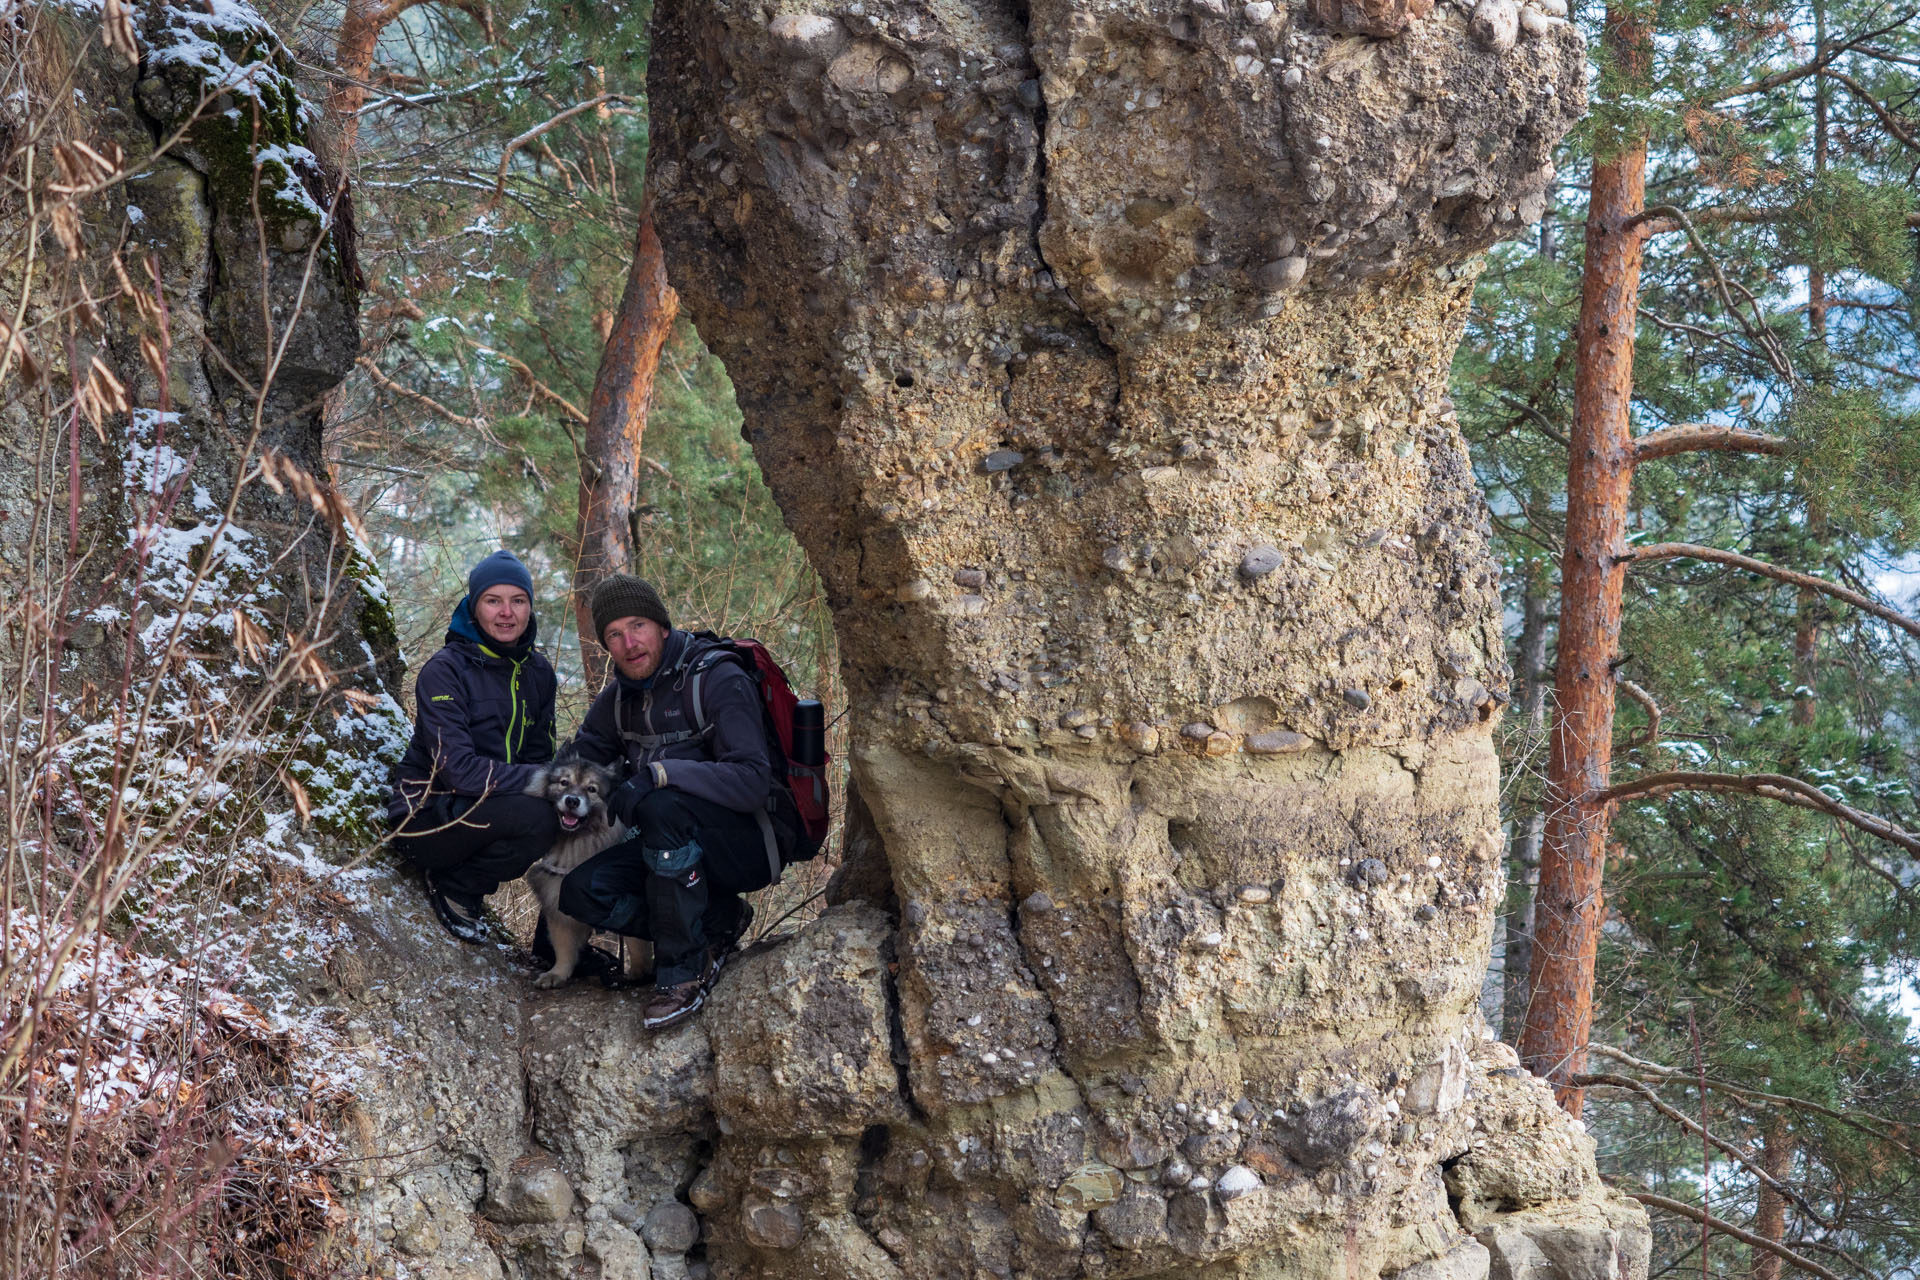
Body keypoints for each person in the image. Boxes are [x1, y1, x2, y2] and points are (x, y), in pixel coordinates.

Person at [558, 573, 806, 1031]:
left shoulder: (716, 678)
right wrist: (519, 789)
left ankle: (682, 972)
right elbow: (576, 765)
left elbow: (753, 779)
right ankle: (716, 920)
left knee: (660, 806)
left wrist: (659, 774)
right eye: (614, 634)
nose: (629, 642)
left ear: (662, 627)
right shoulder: (617, 702)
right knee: (582, 892)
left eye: (638, 626)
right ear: (606, 646)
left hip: (748, 843)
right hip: (667, 845)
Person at [387, 549, 558, 942]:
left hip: (489, 810)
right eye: (493, 600)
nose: (506, 613)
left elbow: (539, 757)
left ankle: (555, 953)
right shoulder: (445, 671)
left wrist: (557, 784)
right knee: (543, 815)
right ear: (474, 606)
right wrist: (545, 781)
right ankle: (457, 886)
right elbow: (458, 770)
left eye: (518, 601)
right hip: (426, 818)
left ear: (530, 608)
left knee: (574, 813)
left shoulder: (539, 673)